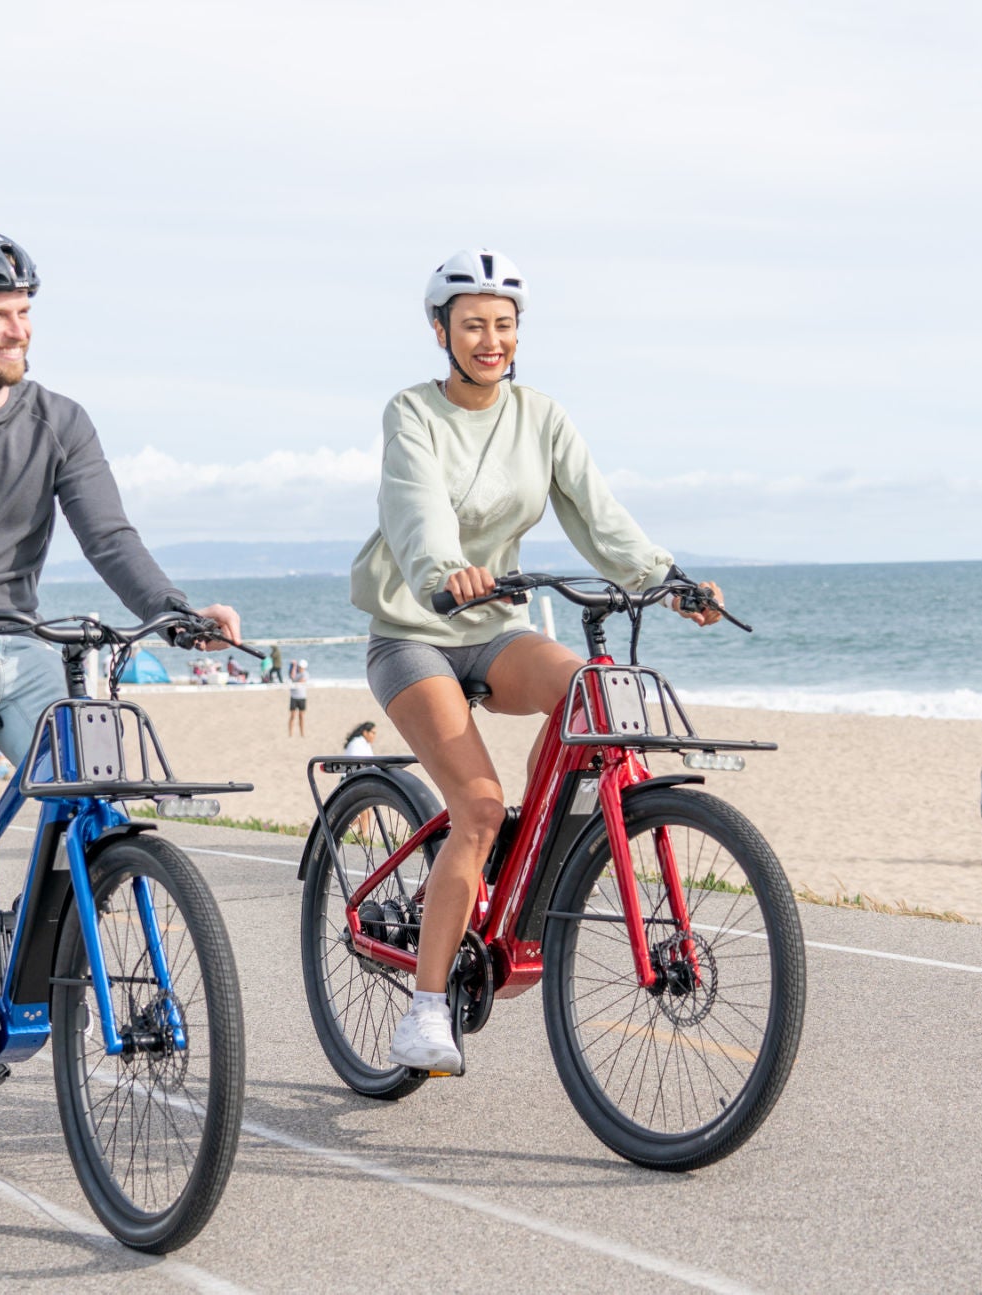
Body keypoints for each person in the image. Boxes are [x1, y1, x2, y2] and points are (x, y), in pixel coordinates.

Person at [0, 230, 242, 1090]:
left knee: (95, 785)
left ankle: (57, 964)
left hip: (24, 644)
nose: (16, 331)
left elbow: (110, 536)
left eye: (23, 314)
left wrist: (177, 614)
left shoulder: (61, 421)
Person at [348, 248, 724, 1075]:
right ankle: (427, 1008)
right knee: (478, 807)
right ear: (439, 330)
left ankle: (546, 858)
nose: (490, 340)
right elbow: (416, 512)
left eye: (504, 325)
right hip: (417, 625)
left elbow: (600, 516)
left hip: (495, 627)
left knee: (594, 695)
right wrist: (447, 576)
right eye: (473, 324)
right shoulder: (411, 412)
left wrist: (667, 579)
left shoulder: (542, 416)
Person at [287, 658, 309, 736]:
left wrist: (295, 681)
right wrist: (293, 666)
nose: (300, 668)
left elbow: (301, 680)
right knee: (292, 716)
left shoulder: (305, 673)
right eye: (299, 666)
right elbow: (292, 678)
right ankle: (290, 733)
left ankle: (302, 733)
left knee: (301, 716)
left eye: (301, 667)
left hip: (302, 697)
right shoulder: (294, 672)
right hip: (294, 697)